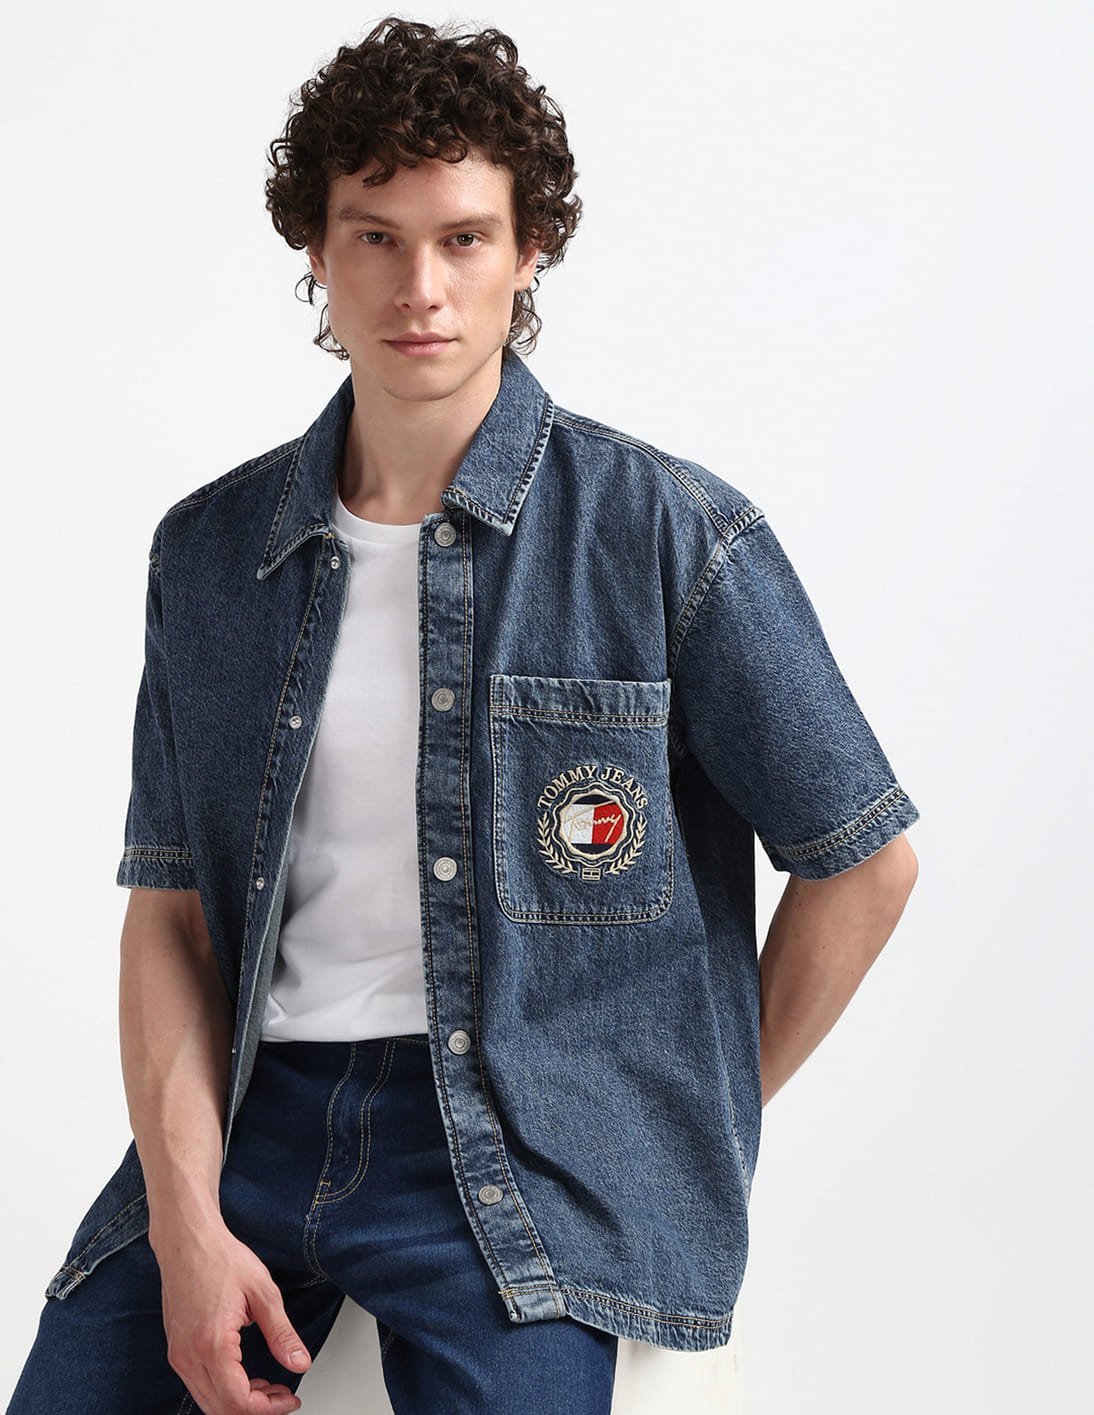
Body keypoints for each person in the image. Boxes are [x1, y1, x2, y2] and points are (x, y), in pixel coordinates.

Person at [9, 16, 919, 1415]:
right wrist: (186, 1227)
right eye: (375, 237)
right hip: (253, 1124)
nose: (419, 287)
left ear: (528, 249)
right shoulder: (211, 553)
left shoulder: (667, 535)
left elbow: (863, 864)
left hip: (522, 1161)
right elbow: (171, 918)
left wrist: (677, 1121)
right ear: (315, 247)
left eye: (464, 238)